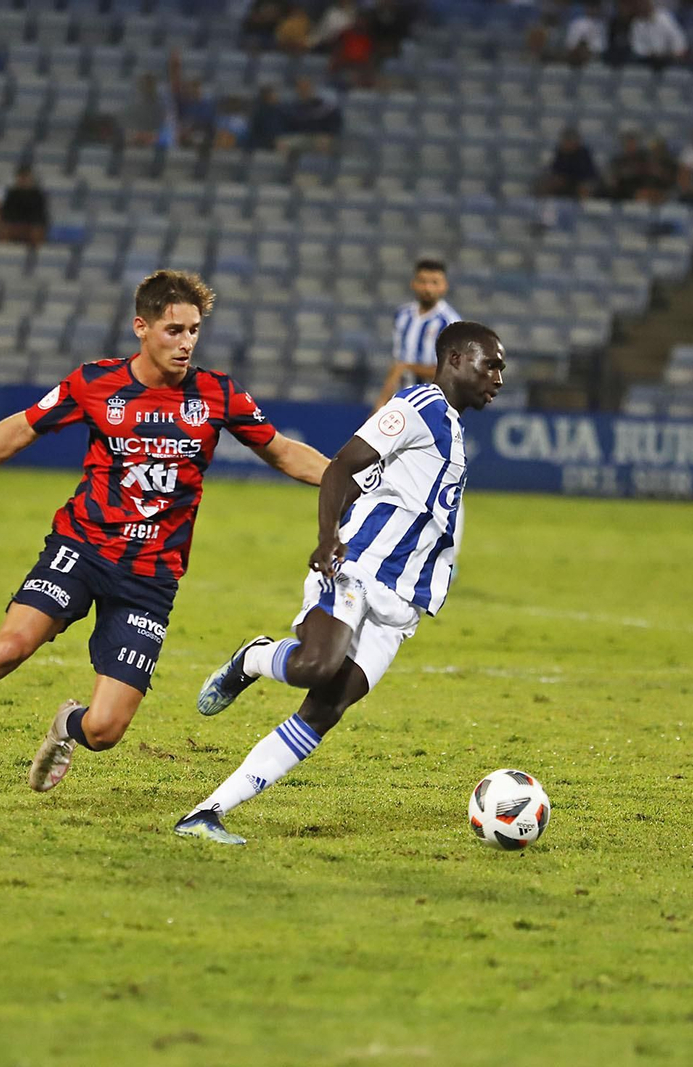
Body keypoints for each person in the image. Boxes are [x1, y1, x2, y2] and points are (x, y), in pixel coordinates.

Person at [0, 270, 330, 804]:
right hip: (80, 549)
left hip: (149, 578)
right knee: (9, 646)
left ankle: (66, 725)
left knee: (105, 730)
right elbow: (20, 429)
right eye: (174, 330)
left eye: (194, 330)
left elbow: (283, 451)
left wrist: (349, 479)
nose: (187, 342)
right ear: (142, 327)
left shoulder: (217, 394)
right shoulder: (95, 383)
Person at [176, 322, 507, 845]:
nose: (499, 377)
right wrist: (328, 537)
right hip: (356, 569)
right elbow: (340, 470)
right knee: (314, 666)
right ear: (456, 360)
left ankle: (207, 812)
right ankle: (254, 657)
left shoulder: (453, 428)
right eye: (491, 364)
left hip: (401, 603)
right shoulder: (416, 406)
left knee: (326, 709)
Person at [375, 259, 461, 408]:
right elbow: (397, 364)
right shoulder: (402, 315)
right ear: (413, 283)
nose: (428, 288)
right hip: (403, 401)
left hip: (435, 404)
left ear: (444, 286)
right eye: (422, 281)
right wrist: (382, 402)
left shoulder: (450, 322)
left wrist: (407, 368)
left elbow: (451, 373)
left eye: (434, 282)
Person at [538, 126, 603, 200]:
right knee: (546, 184)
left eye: (570, 140)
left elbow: (586, 174)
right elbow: (555, 169)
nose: (567, 143)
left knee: (584, 188)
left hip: (582, 181)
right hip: (566, 183)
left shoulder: (583, 153)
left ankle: (583, 208)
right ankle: (548, 206)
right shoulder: (560, 153)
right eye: (565, 140)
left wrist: (566, 178)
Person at [0, 166, 49, 246]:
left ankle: (35, 256)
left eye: (25, 177)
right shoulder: (12, 194)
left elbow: (40, 217)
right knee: (4, 229)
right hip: (14, 226)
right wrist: (16, 226)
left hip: (30, 227)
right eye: (21, 177)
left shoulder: (38, 195)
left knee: (37, 232)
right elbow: (6, 215)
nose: (23, 180)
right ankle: (4, 253)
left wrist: (27, 226)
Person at [629, 0, 688, 68]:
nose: (643, 7)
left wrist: (676, 51)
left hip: (667, 57)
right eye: (641, 5)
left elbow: (677, 37)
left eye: (645, 4)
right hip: (647, 59)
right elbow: (637, 46)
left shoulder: (664, 17)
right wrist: (650, 53)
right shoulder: (637, 23)